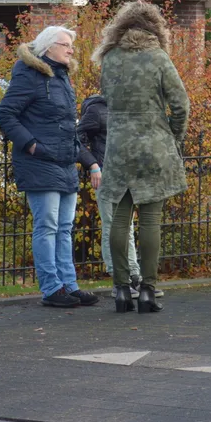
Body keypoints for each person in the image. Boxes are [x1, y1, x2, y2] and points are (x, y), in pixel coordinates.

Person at [91, 1, 190, 314]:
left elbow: (105, 97)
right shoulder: (158, 57)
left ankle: (121, 289)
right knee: (150, 220)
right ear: (155, 28)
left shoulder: (110, 58)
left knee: (119, 219)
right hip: (153, 144)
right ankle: (147, 289)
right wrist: (173, 135)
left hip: (119, 145)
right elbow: (181, 104)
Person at [0, 26, 99, 309]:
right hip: (39, 163)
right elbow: (5, 114)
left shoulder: (62, 78)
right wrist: (31, 145)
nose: (70, 50)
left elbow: (68, 128)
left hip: (64, 163)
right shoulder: (29, 75)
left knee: (64, 227)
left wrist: (89, 161)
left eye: (71, 46)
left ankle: (69, 285)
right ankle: (52, 288)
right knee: (48, 226)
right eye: (65, 45)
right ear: (48, 47)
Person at [76, 94, 151, 299]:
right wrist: (92, 165)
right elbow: (77, 139)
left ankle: (133, 276)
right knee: (113, 226)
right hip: (107, 174)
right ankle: (120, 281)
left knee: (127, 226)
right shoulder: (97, 110)